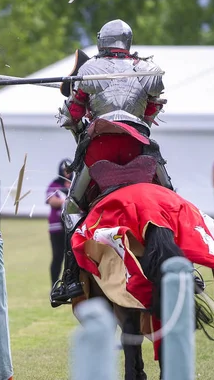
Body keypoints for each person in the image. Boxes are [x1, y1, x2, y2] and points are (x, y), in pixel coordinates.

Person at [50, 19, 175, 306]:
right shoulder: (148, 70)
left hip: (101, 150)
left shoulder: (89, 69)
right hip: (139, 149)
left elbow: (74, 111)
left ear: (102, 41)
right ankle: (185, 268)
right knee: (169, 197)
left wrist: (69, 108)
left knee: (71, 207)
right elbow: (153, 107)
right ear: (128, 42)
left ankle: (70, 277)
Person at [45, 159, 73, 287]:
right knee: (57, 257)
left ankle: (70, 284)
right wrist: (67, 201)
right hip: (57, 227)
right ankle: (54, 284)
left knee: (72, 258)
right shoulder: (55, 184)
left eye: (69, 171)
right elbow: (51, 200)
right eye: (64, 171)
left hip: (72, 226)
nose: (66, 173)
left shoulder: (75, 184)